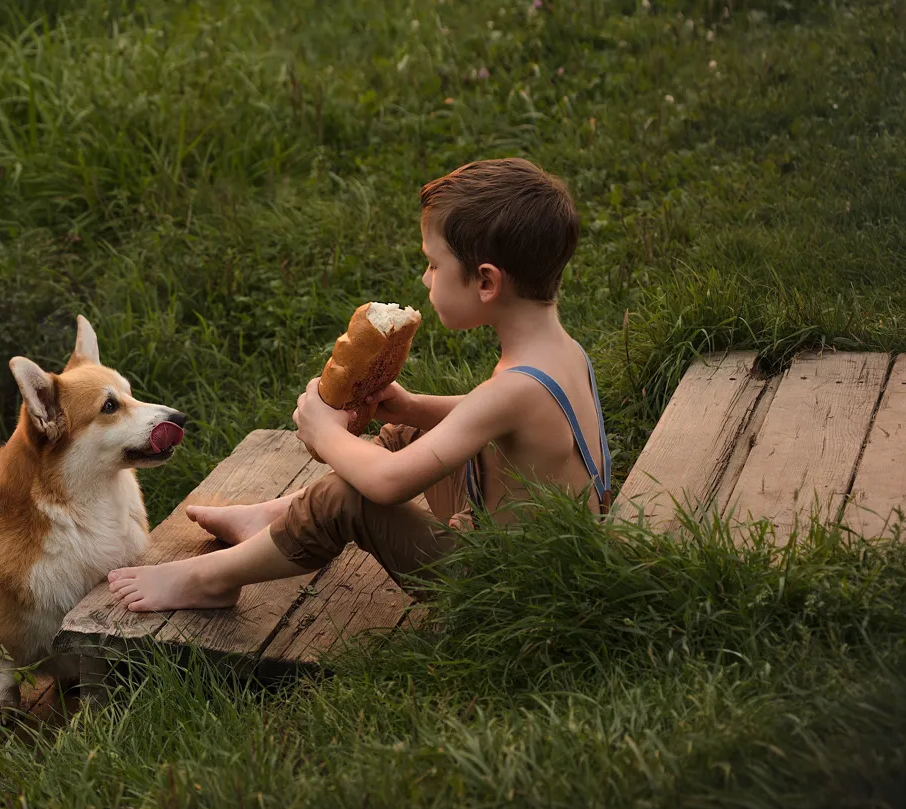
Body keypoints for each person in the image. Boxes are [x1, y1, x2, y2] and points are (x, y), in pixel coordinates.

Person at [108, 158, 610, 612]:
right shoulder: (561, 353)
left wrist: (326, 432)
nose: (424, 277)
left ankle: (210, 580)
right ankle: (273, 518)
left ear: (485, 282)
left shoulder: (513, 389)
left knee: (347, 498)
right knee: (405, 438)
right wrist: (410, 408)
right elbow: (498, 419)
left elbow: (389, 483)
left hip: (503, 590)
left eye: (434, 265)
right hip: (541, 555)